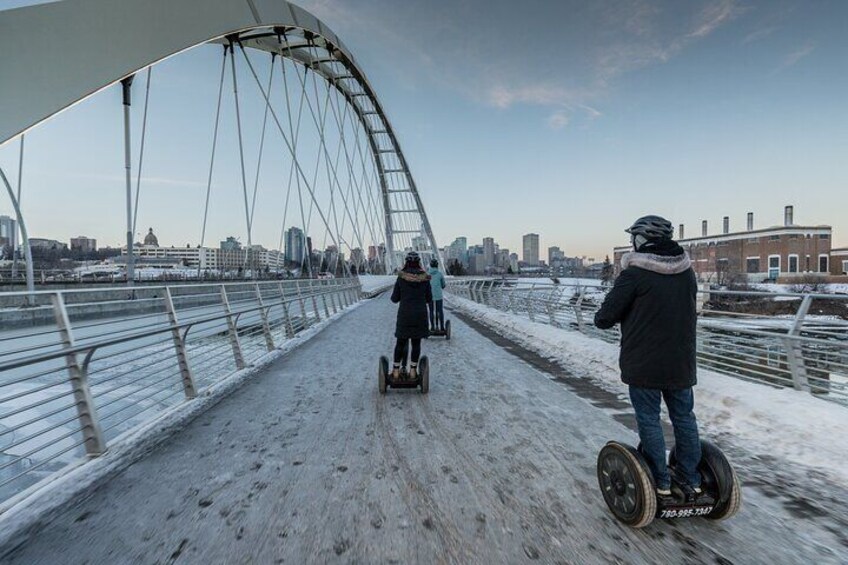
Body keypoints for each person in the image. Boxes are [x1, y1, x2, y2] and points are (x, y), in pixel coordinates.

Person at [594, 215, 712, 505]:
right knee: (684, 417)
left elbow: (604, 318)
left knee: (649, 419)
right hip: (681, 362)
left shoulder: (635, 274)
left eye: (633, 237)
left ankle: (659, 482)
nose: (631, 242)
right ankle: (691, 479)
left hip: (644, 362)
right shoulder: (687, 273)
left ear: (642, 239)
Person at [390, 251, 432, 379]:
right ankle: (413, 370)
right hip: (420, 315)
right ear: (418, 262)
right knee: (416, 343)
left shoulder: (401, 278)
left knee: (400, 342)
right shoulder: (425, 279)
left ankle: (396, 371)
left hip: (405, 314)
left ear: (406, 262)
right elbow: (429, 299)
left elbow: (394, 298)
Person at [427, 258, 446, 332]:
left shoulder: (427, 274)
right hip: (438, 296)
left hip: (430, 296)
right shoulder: (440, 274)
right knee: (439, 311)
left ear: (431, 266)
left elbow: (425, 285)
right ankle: (441, 327)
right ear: (437, 265)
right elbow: (443, 285)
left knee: (431, 311)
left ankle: (432, 327)